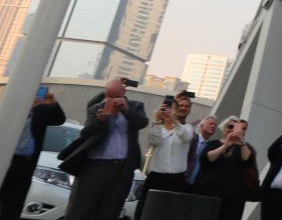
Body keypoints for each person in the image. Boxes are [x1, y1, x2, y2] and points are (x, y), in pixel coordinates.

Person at [58, 78, 149, 220]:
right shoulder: (96, 108)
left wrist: (125, 109)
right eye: (109, 95)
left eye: (116, 95)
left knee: (110, 211)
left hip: (121, 170)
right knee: (80, 209)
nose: (112, 100)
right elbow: (86, 133)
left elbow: (141, 122)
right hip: (95, 167)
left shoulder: (135, 106)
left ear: (124, 92)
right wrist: (101, 120)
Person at [0, 89, 65, 220]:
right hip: (6, 159)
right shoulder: (11, 109)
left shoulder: (41, 111)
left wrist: (52, 103)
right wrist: (25, 109)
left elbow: (59, 120)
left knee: (14, 204)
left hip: (25, 164)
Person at [136, 97, 195, 219]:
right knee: (149, 212)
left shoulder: (186, 127)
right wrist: (157, 121)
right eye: (167, 109)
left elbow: (187, 137)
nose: (169, 112)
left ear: (177, 111)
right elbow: (154, 141)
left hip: (177, 179)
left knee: (172, 214)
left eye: (173, 109)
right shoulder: (158, 128)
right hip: (157, 177)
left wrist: (174, 122)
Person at [195, 116, 259, 220]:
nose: (232, 130)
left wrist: (241, 141)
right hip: (210, 194)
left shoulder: (243, 147)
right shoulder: (214, 143)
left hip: (233, 199)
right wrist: (226, 144)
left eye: (235, 127)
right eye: (230, 126)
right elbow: (206, 159)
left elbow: (248, 160)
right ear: (223, 128)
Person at [187, 114, 219, 187]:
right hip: (182, 181)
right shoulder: (191, 139)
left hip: (197, 186)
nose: (213, 126)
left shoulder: (212, 146)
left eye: (215, 125)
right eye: (211, 123)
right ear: (202, 125)